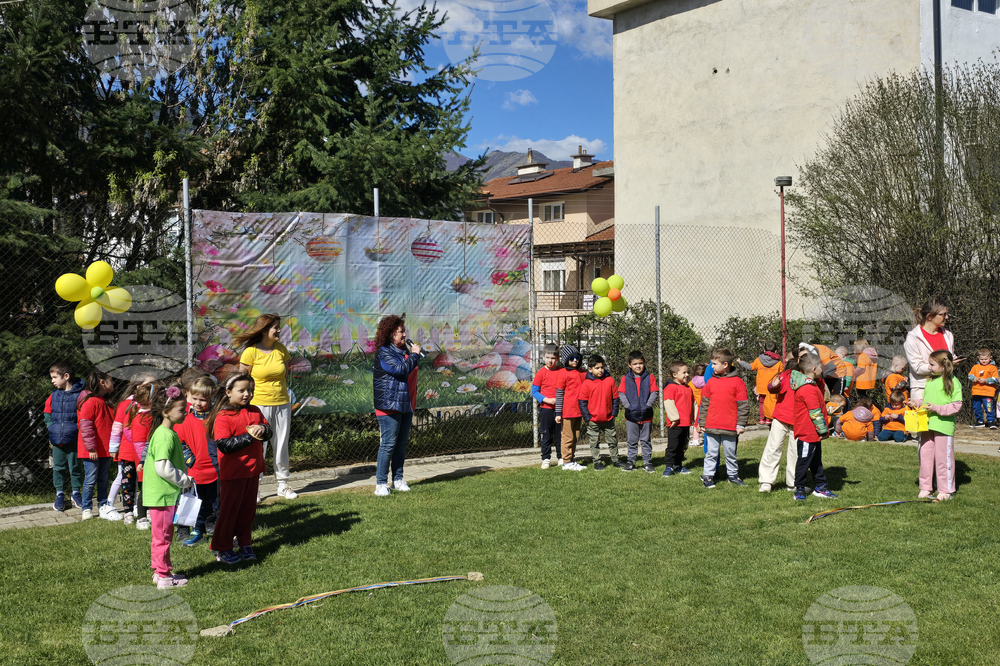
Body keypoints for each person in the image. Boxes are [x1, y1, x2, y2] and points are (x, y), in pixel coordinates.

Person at [209, 372, 272, 563]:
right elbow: (224, 445)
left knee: (247, 512)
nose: (247, 394)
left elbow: (268, 430)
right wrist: (251, 436)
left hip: (253, 470)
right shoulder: (223, 416)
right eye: (242, 390)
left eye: (250, 390)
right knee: (229, 513)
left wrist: (264, 430)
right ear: (228, 392)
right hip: (233, 473)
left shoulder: (255, 411)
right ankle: (222, 548)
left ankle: (245, 544)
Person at [236, 313, 298, 500]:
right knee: (258, 447)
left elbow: (283, 375)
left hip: (282, 403)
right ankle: (255, 487)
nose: (279, 330)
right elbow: (242, 380)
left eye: (279, 327)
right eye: (275, 327)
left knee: (281, 444)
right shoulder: (250, 352)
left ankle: (283, 484)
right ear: (264, 330)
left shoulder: (281, 350)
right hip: (258, 406)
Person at [143, 383, 195, 588]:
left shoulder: (164, 433)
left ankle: (160, 571)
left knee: (159, 535)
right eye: (181, 410)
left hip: (160, 495)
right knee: (163, 536)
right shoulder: (164, 435)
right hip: (162, 495)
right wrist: (185, 480)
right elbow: (163, 468)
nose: (185, 413)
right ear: (166, 411)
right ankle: (164, 577)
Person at [371, 314, 422, 495]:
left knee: (401, 444)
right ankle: (381, 484)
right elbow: (400, 370)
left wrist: (412, 354)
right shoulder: (384, 352)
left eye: (404, 331)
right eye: (400, 331)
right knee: (388, 444)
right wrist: (414, 355)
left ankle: (398, 480)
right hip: (389, 405)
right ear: (390, 334)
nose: (404, 335)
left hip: (405, 404)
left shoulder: (404, 351)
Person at [909, 350, 962, 500]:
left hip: (943, 428)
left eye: (932, 364)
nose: (929, 367)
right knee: (925, 457)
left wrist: (937, 409)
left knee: (943, 459)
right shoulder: (930, 381)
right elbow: (926, 402)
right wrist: (916, 403)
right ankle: (925, 488)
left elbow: (956, 406)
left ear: (943, 366)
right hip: (926, 425)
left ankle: (946, 490)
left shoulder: (953, 382)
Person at [176, 376, 219, 546]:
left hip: (215, 469)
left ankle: (215, 527)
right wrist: (189, 459)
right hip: (195, 470)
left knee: (214, 502)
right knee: (194, 501)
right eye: (195, 399)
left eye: (203, 399)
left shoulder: (216, 419)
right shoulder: (185, 419)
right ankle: (194, 529)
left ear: (211, 399)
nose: (198, 403)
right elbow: (179, 440)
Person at [109, 373, 157, 526]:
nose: (152, 388)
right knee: (128, 483)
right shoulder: (127, 405)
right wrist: (114, 446)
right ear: (137, 386)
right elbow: (119, 427)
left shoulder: (154, 407)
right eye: (148, 385)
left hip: (144, 453)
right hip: (128, 452)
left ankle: (145, 509)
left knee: (145, 482)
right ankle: (128, 511)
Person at [699, 348, 748, 488]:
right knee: (711, 453)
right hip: (712, 425)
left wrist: (741, 424)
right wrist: (702, 422)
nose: (712, 367)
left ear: (725, 364)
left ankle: (733, 476)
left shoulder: (738, 383)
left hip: (730, 427)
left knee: (730, 453)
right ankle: (707, 476)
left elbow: (743, 406)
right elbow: (705, 404)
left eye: (714, 364)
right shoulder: (711, 383)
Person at [791, 354, 837, 500]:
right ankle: (799, 489)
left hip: (813, 433)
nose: (823, 370)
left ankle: (820, 486)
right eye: (821, 367)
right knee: (804, 461)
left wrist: (829, 410)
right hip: (808, 433)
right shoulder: (808, 389)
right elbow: (815, 413)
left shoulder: (811, 385)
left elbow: (817, 408)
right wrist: (823, 430)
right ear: (813, 368)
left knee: (816, 461)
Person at [903, 297, 961, 402]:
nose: (946, 317)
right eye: (942, 314)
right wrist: (943, 366)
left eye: (946, 314)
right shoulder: (913, 337)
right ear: (929, 317)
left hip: (946, 387)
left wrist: (956, 361)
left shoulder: (948, 335)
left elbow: (949, 358)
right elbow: (917, 367)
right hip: (922, 390)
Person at [77, 370, 117, 521]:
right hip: (92, 451)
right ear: (102, 382)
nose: (113, 383)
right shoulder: (90, 402)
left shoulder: (105, 402)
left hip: (105, 449)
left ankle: (102, 505)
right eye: (111, 380)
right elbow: (85, 426)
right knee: (90, 479)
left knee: (104, 479)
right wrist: (91, 448)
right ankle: (86, 508)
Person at [45, 362, 84, 512]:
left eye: (55, 377)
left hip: (74, 439)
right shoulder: (53, 395)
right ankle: (59, 494)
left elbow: (83, 416)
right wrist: (51, 428)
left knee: (75, 466)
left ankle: (75, 493)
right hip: (57, 440)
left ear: (66, 376)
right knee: (58, 467)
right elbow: (47, 412)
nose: (52, 381)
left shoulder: (80, 395)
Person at [759, 350, 799, 493]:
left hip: (798, 419)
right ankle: (766, 481)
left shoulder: (808, 378)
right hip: (781, 418)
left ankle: (793, 482)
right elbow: (771, 388)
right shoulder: (785, 376)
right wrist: (774, 385)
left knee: (795, 451)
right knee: (773, 447)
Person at [618, 350, 659, 473]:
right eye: (635, 364)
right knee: (632, 440)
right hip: (631, 415)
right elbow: (621, 392)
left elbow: (654, 392)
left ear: (644, 363)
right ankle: (631, 461)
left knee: (646, 440)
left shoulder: (650, 377)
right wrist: (628, 406)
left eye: (640, 363)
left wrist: (648, 405)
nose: (638, 366)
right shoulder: (625, 378)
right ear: (629, 365)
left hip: (646, 415)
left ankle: (647, 462)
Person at [579, 354, 621, 470]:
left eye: (602, 367)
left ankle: (616, 460)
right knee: (594, 442)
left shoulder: (610, 381)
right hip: (593, 420)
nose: (600, 370)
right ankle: (597, 461)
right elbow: (582, 402)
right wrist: (587, 418)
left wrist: (613, 414)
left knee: (612, 440)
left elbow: (615, 399)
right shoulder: (586, 383)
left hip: (608, 419)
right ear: (590, 369)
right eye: (597, 368)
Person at [127, 385, 156, 530]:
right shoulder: (141, 420)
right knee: (144, 489)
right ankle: (142, 516)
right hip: (145, 463)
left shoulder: (150, 416)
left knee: (152, 488)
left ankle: (150, 511)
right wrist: (146, 461)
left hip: (152, 461)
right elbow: (138, 444)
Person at [531, 344, 563, 469]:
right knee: (546, 433)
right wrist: (546, 400)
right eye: (548, 357)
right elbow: (534, 391)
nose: (550, 360)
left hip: (560, 409)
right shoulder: (540, 373)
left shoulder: (561, 371)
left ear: (558, 358)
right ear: (543, 357)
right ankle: (546, 458)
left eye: (553, 358)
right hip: (546, 409)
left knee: (560, 434)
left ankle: (561, 457)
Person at [661, 360, 695, 477]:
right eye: (684, 372)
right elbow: (669, 403)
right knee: (673, 446)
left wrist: (695, 419)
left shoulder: (688, 388)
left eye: (688, 372)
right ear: (675, 375)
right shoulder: (670, 388)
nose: (687, 375)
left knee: (682, 445)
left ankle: (678, 465)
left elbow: (693, 404)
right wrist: (674, 418)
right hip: (675, 424)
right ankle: (669, 466)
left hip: (686, 423)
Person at [737, 342, 782, 425]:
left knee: (762, 403)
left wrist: (741, 362)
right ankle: (769, 419)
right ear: (775, 351)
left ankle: (761, 419)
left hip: (761, 387)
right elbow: (782, 374)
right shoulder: (779, 363)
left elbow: (750, 367)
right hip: (772, 387)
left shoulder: (758, 360)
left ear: (764, 350)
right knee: (771, 403)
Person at [557, 345, 586, 471]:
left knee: (576, 436)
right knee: (567, 436)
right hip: (567, 412)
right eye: (572, 358)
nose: (575, 360)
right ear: (565, 359)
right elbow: (559, 394)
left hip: (579, 411)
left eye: (577, 358)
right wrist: (558, 412)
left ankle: (571, 460)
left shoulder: (583, 372)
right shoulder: (562, 373)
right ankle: (566, 461)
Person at [967, 348, 998, 429]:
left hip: (988, 392)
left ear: (990, 358)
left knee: (988, 408)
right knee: (976, 407)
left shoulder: (992, 367)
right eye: (982, 359)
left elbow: (996, 379)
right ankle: (980, 421)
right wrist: (975, 378)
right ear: (978, 358)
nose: (983, 361)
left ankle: (991, 421)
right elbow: (970, 375)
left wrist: (986, 380)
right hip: (976, 392)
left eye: (986, 359)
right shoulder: (975, 367)